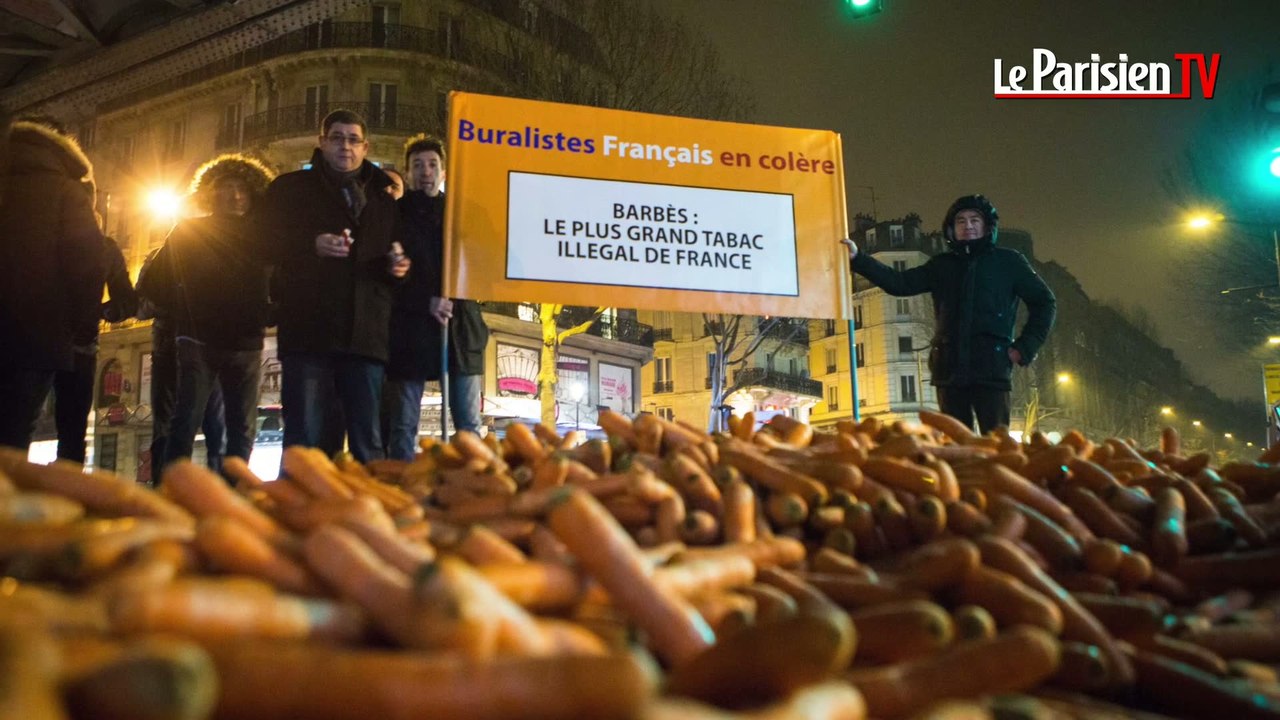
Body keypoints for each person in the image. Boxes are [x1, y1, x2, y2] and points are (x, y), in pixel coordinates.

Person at [259, 109, 410, 462]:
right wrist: (310, 245)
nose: (346, 146)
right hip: (309, 334)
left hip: (365, 338)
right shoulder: (289, 189)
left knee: (367, 443)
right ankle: (300, 513)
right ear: (322, 142)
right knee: (304, 439)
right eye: (337, 138)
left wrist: (399, 266)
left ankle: (368, 513)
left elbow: (398, 258)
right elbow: (259, 243)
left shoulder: (383, 200)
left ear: (365, 147)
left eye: (353, 139)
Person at [842, 194, 1056, 434]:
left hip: (992, 369)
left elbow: (1045, 303)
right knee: (955, 444)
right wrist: (858, 259)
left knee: (996, 444)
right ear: (951, 228)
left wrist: (1025, 347)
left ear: (987, 226)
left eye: (975, 219)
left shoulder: (1010, 262)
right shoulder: (941, 265)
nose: (968, 225)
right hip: (949, 371)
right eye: (961, 221)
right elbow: (900, 283)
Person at [139, 155, 274, 473]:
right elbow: (157, 283)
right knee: (195, 420)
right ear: (211, 193)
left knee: (224, 424)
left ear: (253, 193)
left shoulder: (265, 238)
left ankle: (218, 490)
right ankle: (185, 488)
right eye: (227, 187)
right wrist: (189, 307)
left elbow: (285, 281)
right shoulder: (189, 232)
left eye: (242, 188)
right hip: (204, 339)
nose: (236, 195)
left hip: (242, 340)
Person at [0, 117, 106, 452]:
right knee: (14, 433)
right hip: (37, 335)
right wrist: (80, 326)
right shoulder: (66, 190)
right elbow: (87, 263)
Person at [384, 135, 488, 460]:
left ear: (444, 172)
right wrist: (424, 301)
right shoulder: (392, 217)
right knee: (403, 425)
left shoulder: (464, 214)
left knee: (469, 427)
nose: (425, 171)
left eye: (432, 165)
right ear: (407, 171)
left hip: (461, 334)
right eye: (417, 165)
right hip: (409, 336)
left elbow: (485, 263)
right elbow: (385, 278)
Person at [54, 235, 138, 464]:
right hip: (69, 347)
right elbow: (128, 302)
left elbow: (128, 302)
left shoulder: (104, 247)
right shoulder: (104, 246)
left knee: (20, 427)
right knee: (70, 434)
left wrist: (101, 312)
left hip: (52, 346)